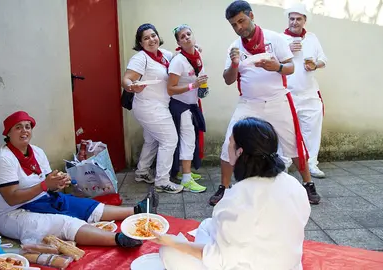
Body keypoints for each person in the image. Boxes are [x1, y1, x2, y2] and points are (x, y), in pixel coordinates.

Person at [154, 117, 311, 270]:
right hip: (288, 265)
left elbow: (219, 260)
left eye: (230, 143)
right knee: (207, 225)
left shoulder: (236, 198)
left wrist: (173, 242)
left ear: (240, 152)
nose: (228, 146)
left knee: (168, 252)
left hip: (243, 262)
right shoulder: (294, 185)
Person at [0, 111, 159, 247]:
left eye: (28, 126)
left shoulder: (36, 151)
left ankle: (138, 210)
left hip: (42, 199)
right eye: (18, 127)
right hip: (13, 214)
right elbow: (11, 198)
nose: (24, 131)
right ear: (8, 133)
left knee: (84, 205)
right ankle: (119, 240)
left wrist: (59, 183)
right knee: (64, 222)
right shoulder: (3, 158)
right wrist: (45, 186)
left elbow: (49, 184)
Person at [209, 0, 321, 206]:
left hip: (278, 100)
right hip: (249, 103)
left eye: (241, 21)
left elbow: (290, 67)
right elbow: (228, 79)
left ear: (251, 16)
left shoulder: (274, 38)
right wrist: (234, 65)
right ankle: (224, 187)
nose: (239, 27)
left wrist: (276, 66)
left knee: (293, 143)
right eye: (234, 24)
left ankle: (308, 184)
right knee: (229, 143)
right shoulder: (234, 47)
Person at [121, 23, 183, 194]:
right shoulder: (141, 58)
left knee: (152, 140)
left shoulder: (165, 55)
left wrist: (192, 48)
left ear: (158, 36)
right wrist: (132, 86)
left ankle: (142, 172)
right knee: (170, 140)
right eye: (146, 38)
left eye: (153, 35)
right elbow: (126, 79)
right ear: (140, 43)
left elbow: (180, 57)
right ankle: (162, 181)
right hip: (149, 107)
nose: (151, 40)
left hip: (159, 105)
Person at [282, 3, 328, 178]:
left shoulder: (312, 38)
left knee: (312, 130)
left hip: (310, 93)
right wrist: (288, 51)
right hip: (287, 93)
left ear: (304, 20)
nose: (294, 22)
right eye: (291, 18)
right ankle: (284, 163)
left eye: (298, 19)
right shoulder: (280, 39)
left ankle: (311, 164)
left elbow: (323, 59)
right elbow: (272, 63)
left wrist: (315, 65)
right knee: (286, 130)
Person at [167, 24, 208, 193]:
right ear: (179, 42)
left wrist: (202, 88)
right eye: (182, 37)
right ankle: (185, 178)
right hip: (180, 106)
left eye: (188, 34)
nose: (186, 38)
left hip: (192, 104)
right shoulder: (178, 62)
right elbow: (170, 89)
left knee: (191, 139)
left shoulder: (196, 55)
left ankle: (187, 172)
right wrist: (193, 86)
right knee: (188, 140)